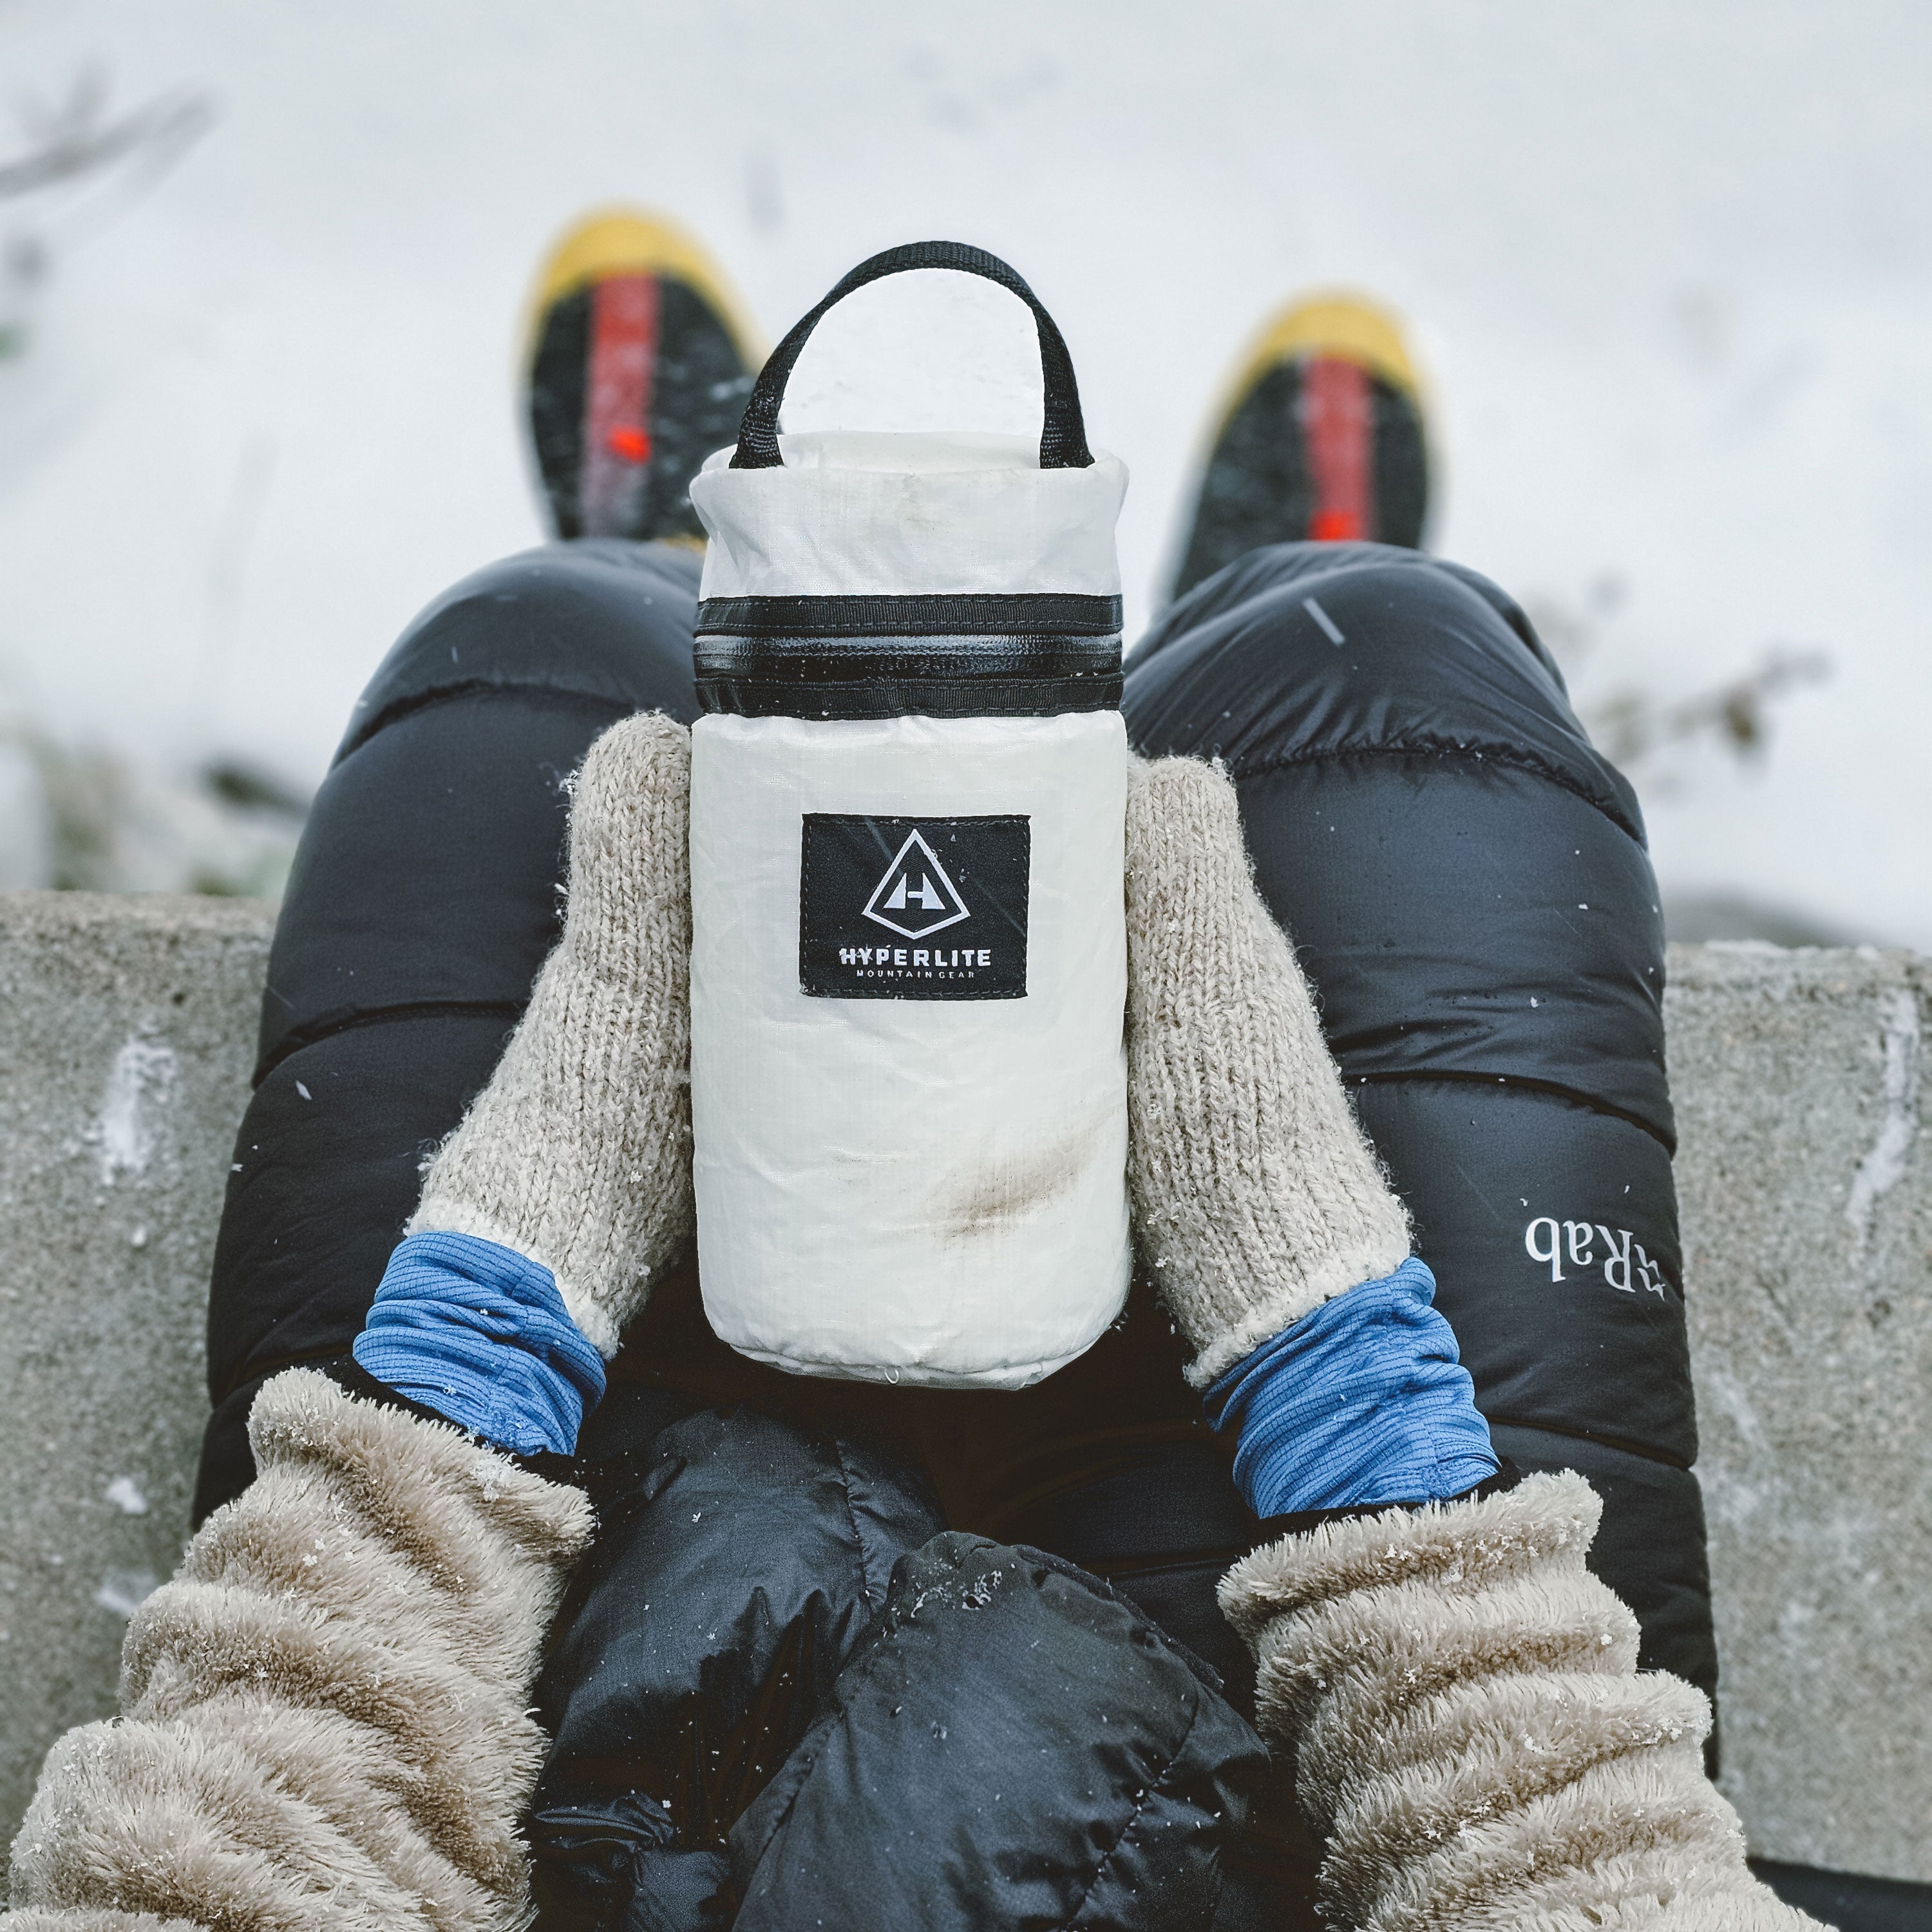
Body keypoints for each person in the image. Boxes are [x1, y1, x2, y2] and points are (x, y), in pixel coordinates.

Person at [6, 214, 1814, 1931]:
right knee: (1384, 685)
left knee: (520, 681)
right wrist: (1374, 1455)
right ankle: (1176, 634)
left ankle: (692, 568)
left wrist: (474, 1355)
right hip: (1257, 1817)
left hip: (592, 1747)